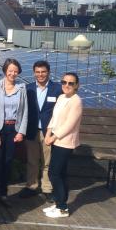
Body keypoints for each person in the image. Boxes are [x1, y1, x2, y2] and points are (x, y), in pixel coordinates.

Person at [0, 58, 28, 206]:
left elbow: (25, 112)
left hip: (13, 130)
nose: (13, 73)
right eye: (10, 70)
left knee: (7, 162)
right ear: (5, 70)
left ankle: (3, 194)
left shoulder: (22, 88)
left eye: (16, 71)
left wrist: (21, 132)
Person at [20, 60, 62, 200]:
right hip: (32, 130)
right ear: (34, 73)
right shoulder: (28, 88)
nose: (40, 75)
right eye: (37, 72)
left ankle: (47, 188)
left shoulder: (57, 89)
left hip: (48, 131)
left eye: (43, 72)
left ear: (48, 72)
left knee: (47, 161)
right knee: (32, 160)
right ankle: (31, 186)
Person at [43, 72, 83, 218]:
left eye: (70, 83)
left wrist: (53, 137)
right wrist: (47, 134)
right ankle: (59, 202)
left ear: (77, 85)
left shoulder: (76, 101)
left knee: (54, 173)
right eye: (64, 82)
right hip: (55, 140)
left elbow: (69, 125)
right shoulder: (61, 97)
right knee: (60, 173)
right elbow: (54, 118)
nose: (66, 85)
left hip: (65, 143)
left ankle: (62, 208)